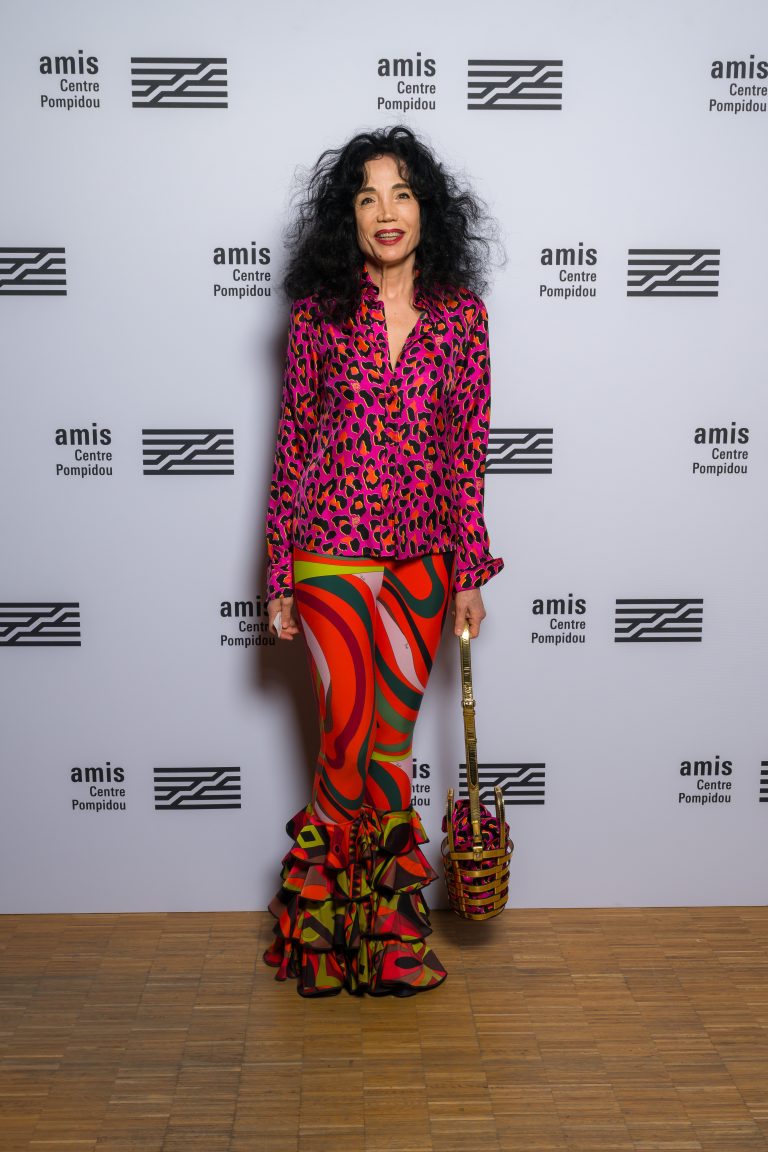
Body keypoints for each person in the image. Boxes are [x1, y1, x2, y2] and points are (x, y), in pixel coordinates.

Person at [263, 125, 504, 997]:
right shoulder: (317, 319)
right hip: (329, 556)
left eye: (400, 193)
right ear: (349, 219)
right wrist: (278, 572)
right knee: (343, 741)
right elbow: (291, 446)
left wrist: (469, 570)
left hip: (421, 567)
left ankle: (391, 942)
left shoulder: (464, 321)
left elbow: (465, 455)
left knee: (391, 751)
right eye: (366, 197)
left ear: (425, 210)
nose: (385, 211)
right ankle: (324, 937)